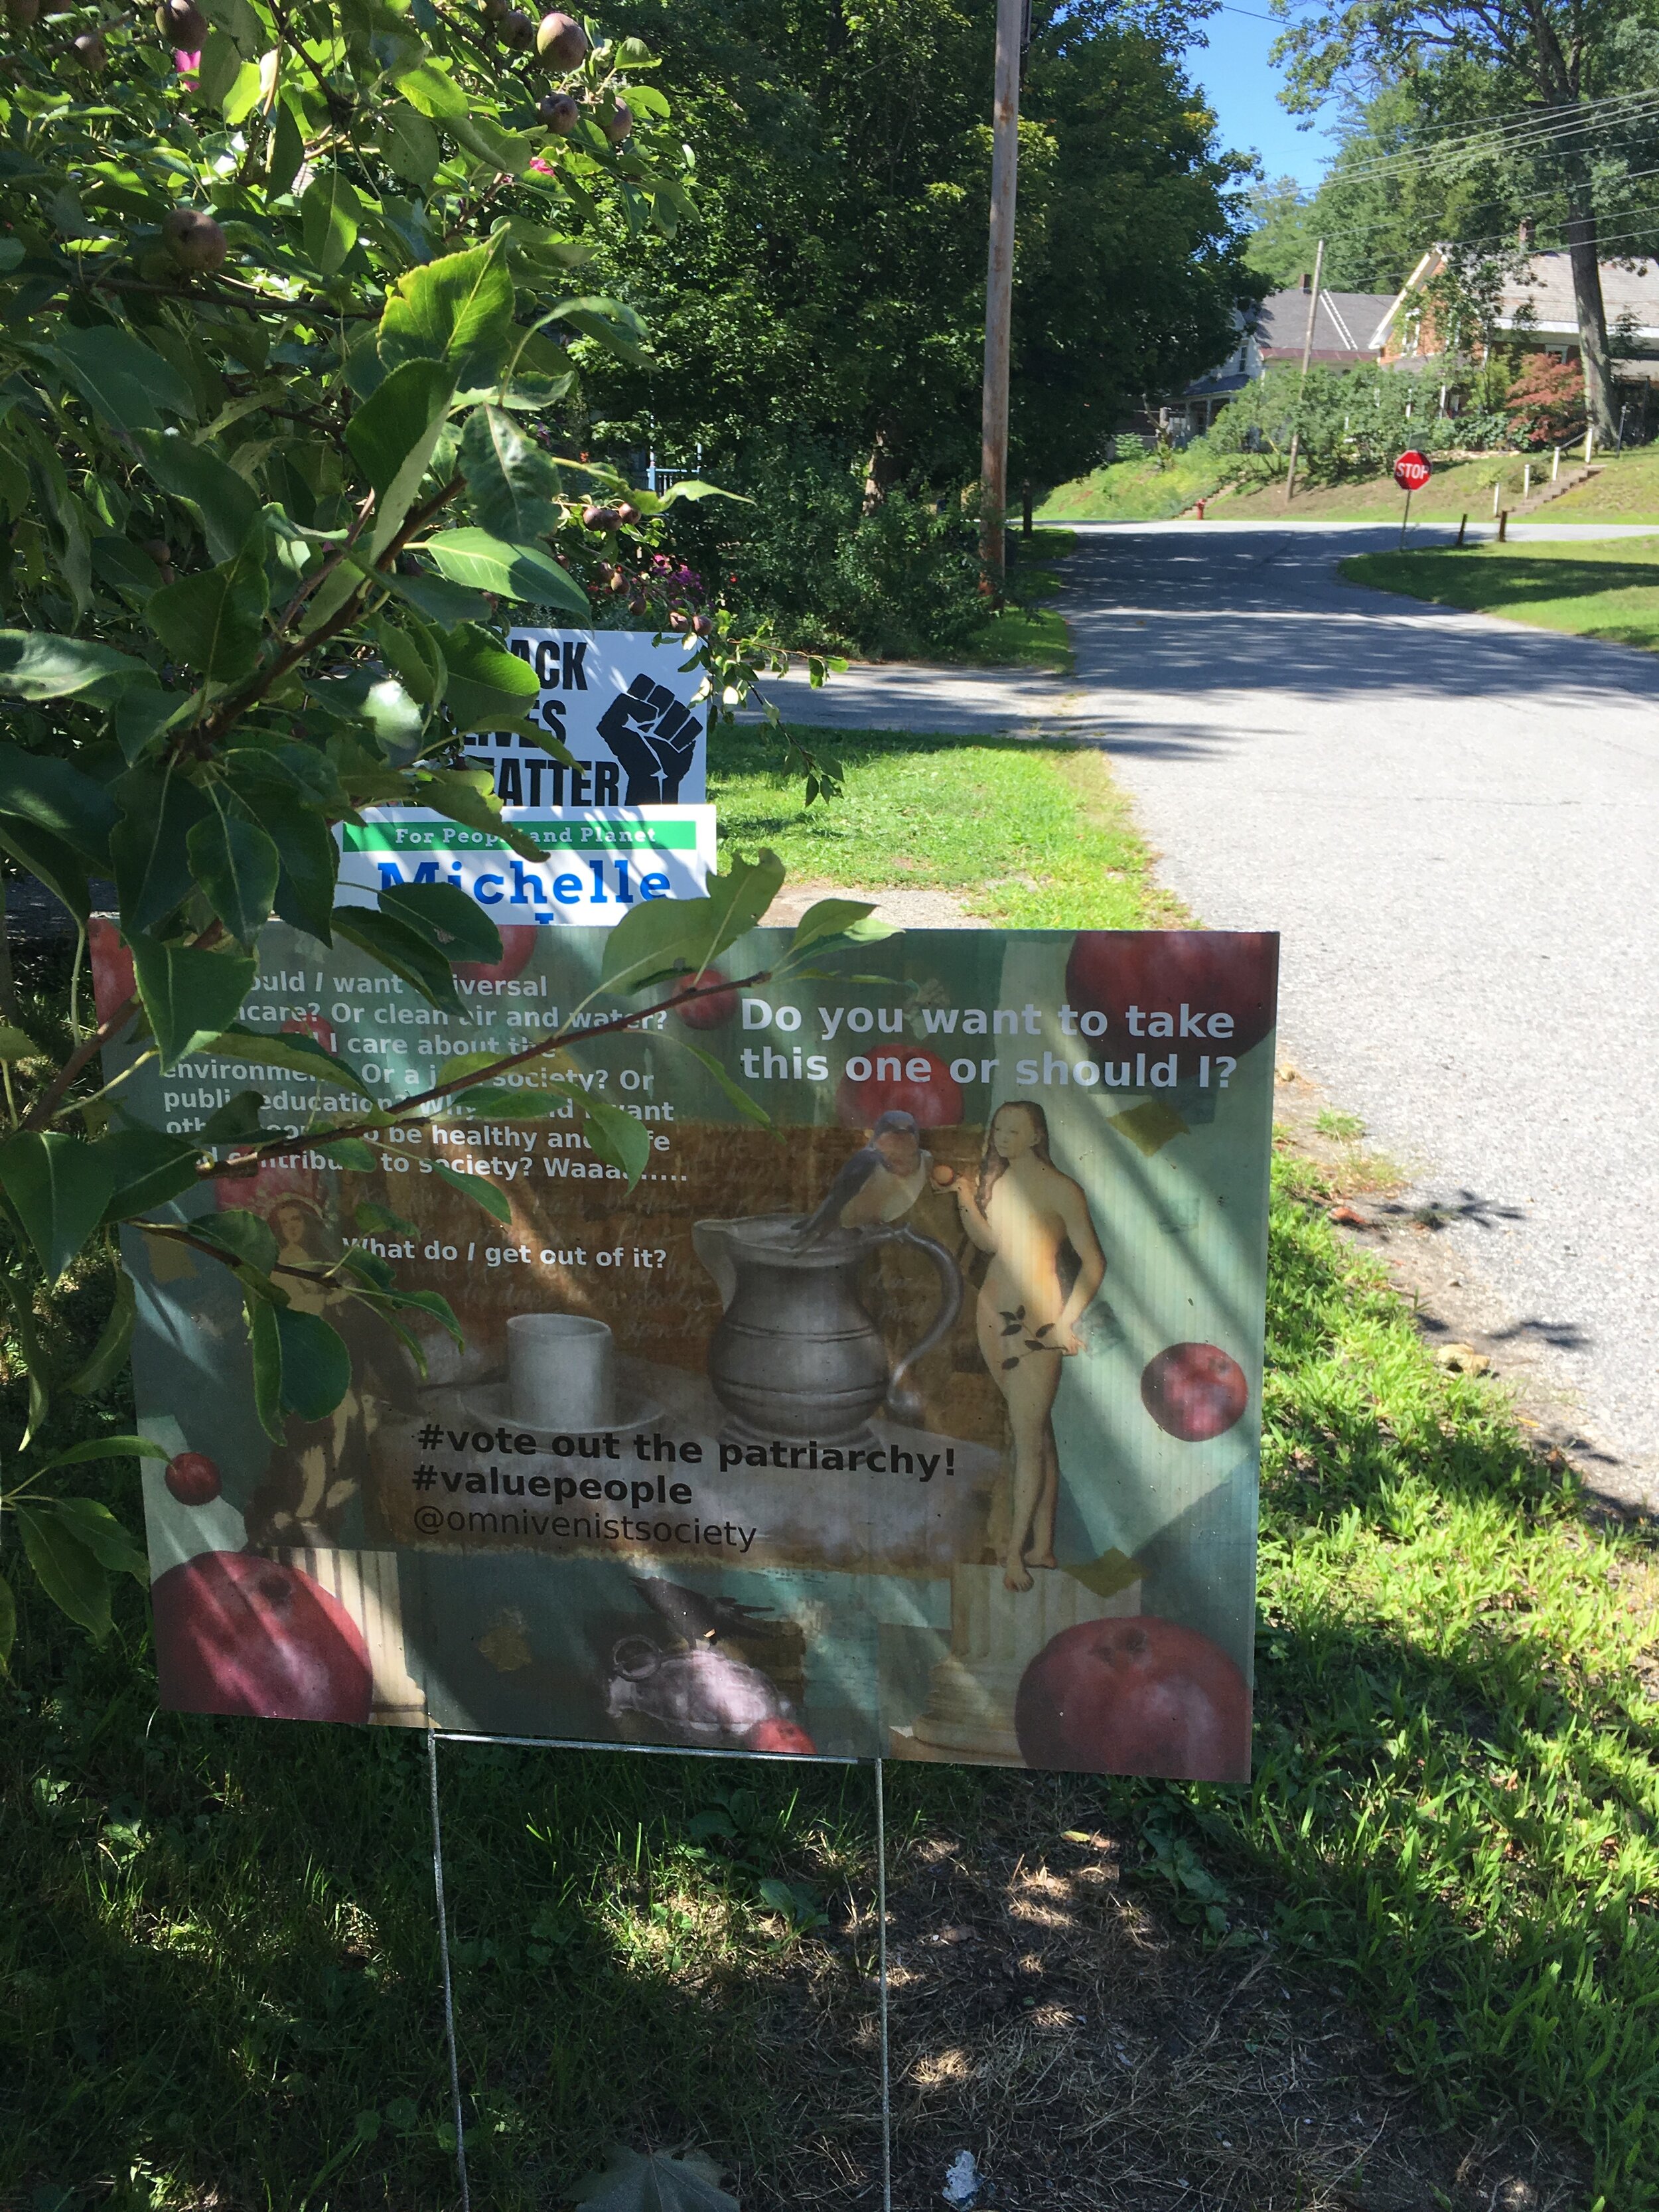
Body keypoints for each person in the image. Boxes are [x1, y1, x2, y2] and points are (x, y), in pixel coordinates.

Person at [953, 1101, 1106, 1591]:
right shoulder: (1000, 1182)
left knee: (1027, 1438)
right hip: (992, 1310)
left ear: (1037, 1134)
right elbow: (991, 1244)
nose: (1001, 1136)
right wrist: (962, 1195)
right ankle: (1044, 1544)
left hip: (1035, 1320)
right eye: (998, 1127)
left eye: (1013, 1130)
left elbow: (1093, 1263)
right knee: (1036, 1433)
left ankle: (1015, 1555)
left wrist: (1065, 1322)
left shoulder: (1062, 1190)